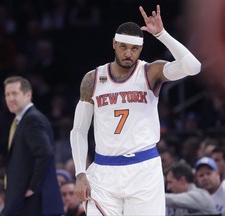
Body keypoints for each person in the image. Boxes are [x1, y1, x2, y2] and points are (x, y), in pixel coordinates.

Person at [70, 5, 201, 215]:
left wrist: (161, 34)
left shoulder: (151, 72)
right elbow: (78, 130)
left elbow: (193, 67)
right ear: (114, 43)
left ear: (140, 49)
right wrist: (80, 173)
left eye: (134, 48)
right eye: (123, 47)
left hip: (143, 169)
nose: (128, 53)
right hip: (104, 171)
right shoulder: (92, 79)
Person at [2, 76, 64, 216]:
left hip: (34, 202)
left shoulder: (31, 119)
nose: (10, 99)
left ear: (28, 95)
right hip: (29, 201)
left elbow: (45, 154)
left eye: (15, 93)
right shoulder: (24, 119)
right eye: (7, 94)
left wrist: (32, 187)